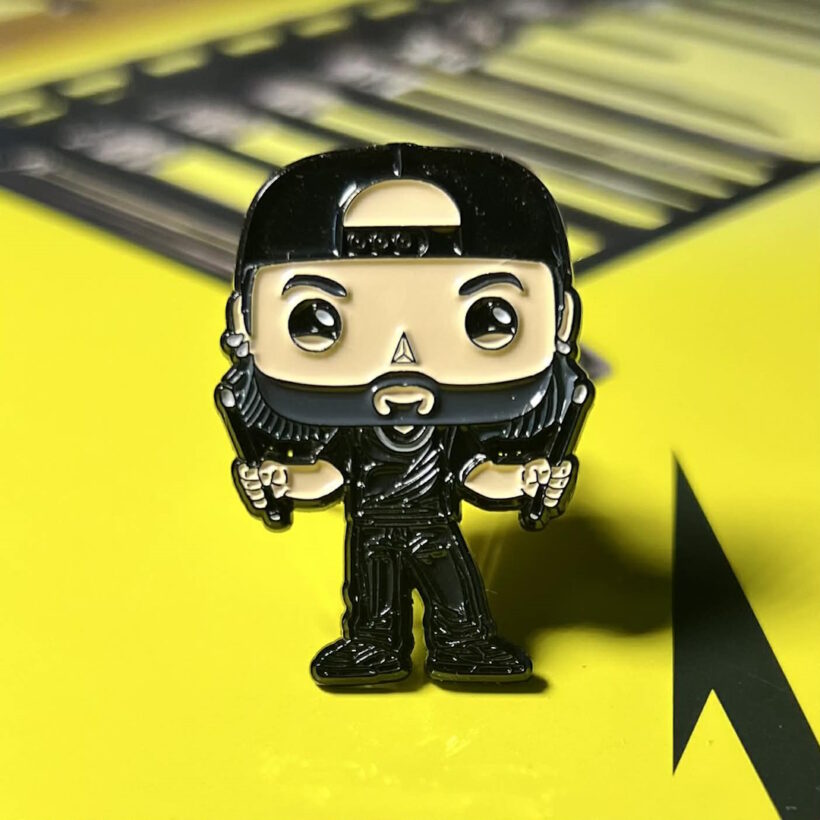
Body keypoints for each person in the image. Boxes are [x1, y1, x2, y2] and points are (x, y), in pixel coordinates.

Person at [216, 144, 593, 685]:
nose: (404, 360)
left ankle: (462, 644)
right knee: (373, 604)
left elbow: (474, 473)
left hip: (435, 525)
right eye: (316, 320)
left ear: (562, 319)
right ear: (243, 321)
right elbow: (332, 474)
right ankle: (375, 645)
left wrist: (529, 480)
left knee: (455, 599)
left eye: (489, 317)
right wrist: (281, 481)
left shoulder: (450, 431)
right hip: (371, 527)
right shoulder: (352, 432)